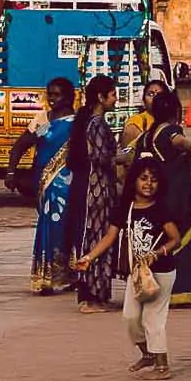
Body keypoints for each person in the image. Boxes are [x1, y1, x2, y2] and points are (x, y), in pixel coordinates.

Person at [76, 156, 183, 380]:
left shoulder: (161, 209)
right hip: (137, 273)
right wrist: (88, 257)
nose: (148, 184)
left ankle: (162, 367)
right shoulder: (126, 208)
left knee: (153, 319)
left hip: (161, 271)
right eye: (143, 179)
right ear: (133, 180)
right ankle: (148, 354)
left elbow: (175, 239)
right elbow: (110, 237)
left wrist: (157, 253)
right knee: (130, 318)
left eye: (153, 180)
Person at [128, 85, 191, 308]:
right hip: (178, 199)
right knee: (184, 242)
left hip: (156, 198)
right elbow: (180, 142)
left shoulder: (146, 136)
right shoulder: (169, 131)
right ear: (175, 112)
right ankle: (186, 289)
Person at [8, 77, 77, 294]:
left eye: (57, 95)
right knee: (49, 228)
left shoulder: (78, 123)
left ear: (68, 97)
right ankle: (46, 276)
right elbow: (19, 146)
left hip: (70, 185)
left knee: (69, 229)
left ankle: (70, 273)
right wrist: (11, 171)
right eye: (50, 94)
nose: (52, 99)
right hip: (46, 185)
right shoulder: (42, 121)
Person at [63, 74, 120, 311]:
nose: (116, 99)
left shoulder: (86, 122)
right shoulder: (96, 124)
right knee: (96, 240)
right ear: (101, 97)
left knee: (89, 239)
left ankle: (92, 294)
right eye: (113, 94)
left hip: (88, 187)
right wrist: (124, 156)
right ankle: (91, 296)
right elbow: (99, 157)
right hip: (95, 189)